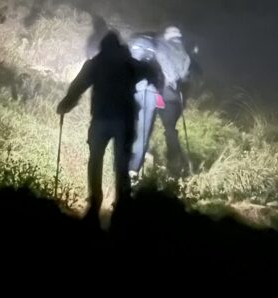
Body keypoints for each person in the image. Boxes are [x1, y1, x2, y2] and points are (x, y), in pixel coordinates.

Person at [56, 31, 160, 224]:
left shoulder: (96, 62)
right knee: (121, 165)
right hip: (125, 121)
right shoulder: (128, 63)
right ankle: (122, 209)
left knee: (95, 161)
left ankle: (94, 206)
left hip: (101, 119)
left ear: (103, 47)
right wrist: (155, 78)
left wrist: (65, 106)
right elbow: (150, 72)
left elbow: (78, 86)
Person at [129, 26, 196, 178]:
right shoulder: (185, 54)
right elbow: (185, 76)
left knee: (145, 124)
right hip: (175, 96)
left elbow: (161, 65)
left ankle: (140, 159)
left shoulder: (162, 46)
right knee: (170, 129)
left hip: (159, 92)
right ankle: (174, 163)